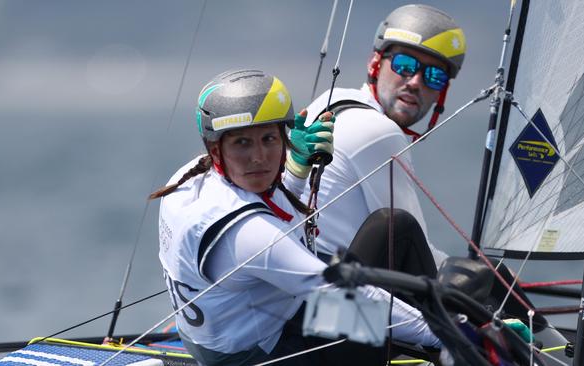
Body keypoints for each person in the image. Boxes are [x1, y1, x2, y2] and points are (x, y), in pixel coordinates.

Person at [150, 69, 440, 365]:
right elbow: (341, 295)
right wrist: (446, 333)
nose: (259, 156)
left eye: (268, 138)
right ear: (216, 148)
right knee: (385, 304)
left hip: (229, 336)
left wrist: (297, 172)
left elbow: (278, 226)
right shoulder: (250, 235)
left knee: (392, 226)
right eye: (242, 143)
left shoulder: (188, 181)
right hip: (266, 355)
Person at [304, 4, 467, 272]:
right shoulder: (378, 131)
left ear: (442, 92)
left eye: (434, 76)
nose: (415, 81)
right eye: (405, 64)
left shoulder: (332, 99)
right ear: (375, 63)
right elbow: (416, 250)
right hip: (329, 294)